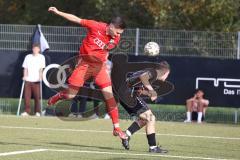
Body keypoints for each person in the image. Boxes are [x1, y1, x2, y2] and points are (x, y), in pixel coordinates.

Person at [47, 7, 127, 139]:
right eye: (118, 32)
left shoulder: (116, 37)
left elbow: (108, 47)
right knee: (70, 96)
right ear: (112, 26)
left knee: (110, 97)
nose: (119, 35)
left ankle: (116, 128)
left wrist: (108, 51)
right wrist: (58, 12)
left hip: (99, 67)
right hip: (84, 65)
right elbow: (76, 19)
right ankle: (60, 95)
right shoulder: (95, 26)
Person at [120, 61, 170, 153]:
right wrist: (152, 90)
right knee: (151, 118)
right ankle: (153, 147)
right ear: (165, 72)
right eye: (168, 75)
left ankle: (126, 135)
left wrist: (146, 92)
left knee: (144, 119)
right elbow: (143, 77)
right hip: (128, 95)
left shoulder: (149, 71)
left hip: (126, 94)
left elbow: (136, 84)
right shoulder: (154, 72)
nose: (167, 77)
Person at [21, 43, 46, 117]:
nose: (35, 50)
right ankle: (26, 111)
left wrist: (40, 76)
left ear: (39, 50)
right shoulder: (28, 57)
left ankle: (37, 112)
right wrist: (25, 76)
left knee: (37, 97)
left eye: (36, 49)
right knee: (26, 97)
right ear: (32, 49)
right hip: (28, 80)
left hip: (37, 80)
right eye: (34, 48)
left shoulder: (42, 57)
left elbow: (41, 68)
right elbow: (25, 68)